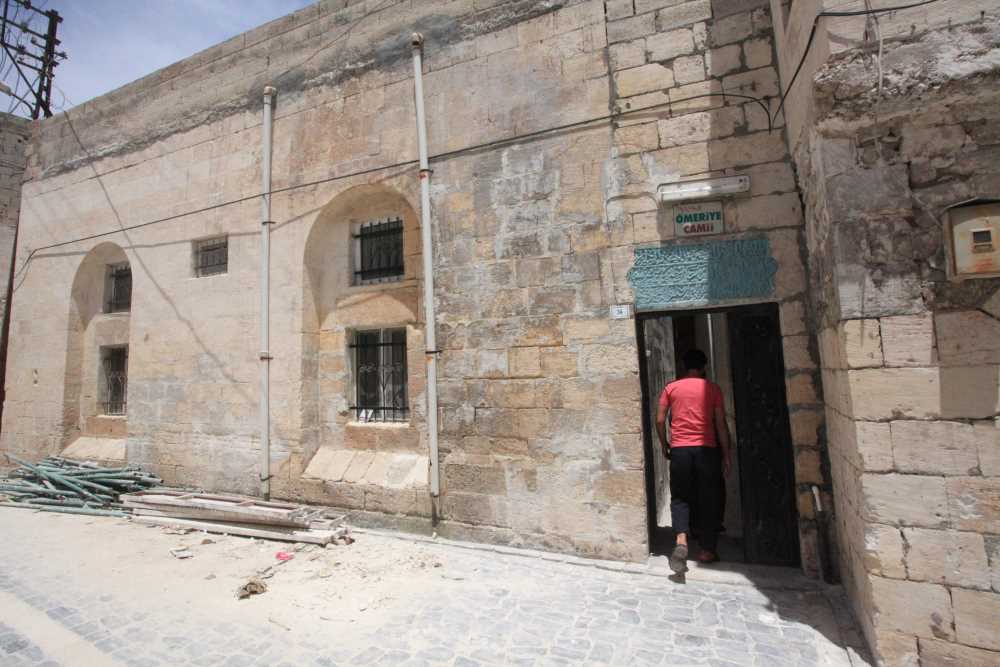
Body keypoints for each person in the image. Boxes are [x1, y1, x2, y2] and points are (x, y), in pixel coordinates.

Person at [655, 348, 732, 573]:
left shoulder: (671, 388)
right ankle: (707, 549)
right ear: (704, 367)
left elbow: (660, 420)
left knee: (680, 497)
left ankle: (681, 540)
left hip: (679, 449)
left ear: (683, 366)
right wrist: (726, 453)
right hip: (706, 449)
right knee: (709, 498)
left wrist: (664, 444)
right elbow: (720, 424)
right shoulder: (713, 389)